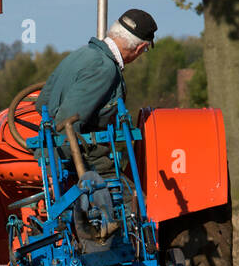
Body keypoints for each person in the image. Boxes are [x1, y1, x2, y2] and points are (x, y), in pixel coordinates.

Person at [39, 9, 158, 175]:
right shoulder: (104, 68)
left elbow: (42, 103)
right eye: (145, 50)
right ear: (140, 47)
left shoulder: (81, 54)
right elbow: (67, 121)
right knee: (133, 199)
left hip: (54, 152)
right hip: (78, 158)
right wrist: (56, 171)